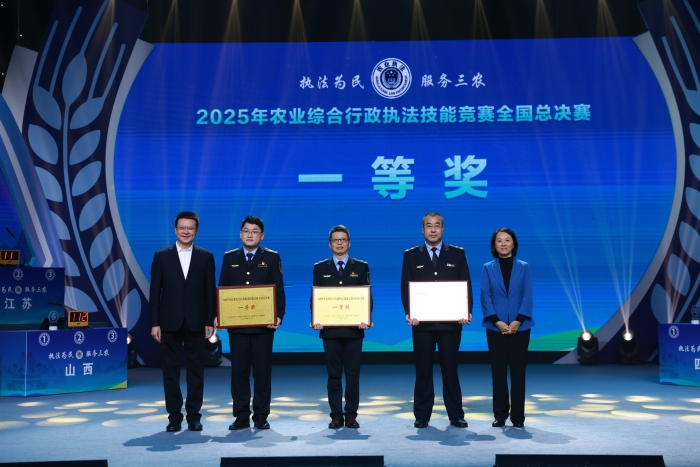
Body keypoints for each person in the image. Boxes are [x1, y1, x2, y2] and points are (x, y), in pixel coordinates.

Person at [400, 212, 473, 429]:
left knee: (450, 369)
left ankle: (456, 414)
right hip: (422, 325)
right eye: (429, 226)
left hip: (450, 324)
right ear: (422, 229)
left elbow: (466, 284)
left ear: (443, 229)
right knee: (423, 370)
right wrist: (410, 312)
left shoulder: (457, 253)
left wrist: (466, 311)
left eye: (437, 225)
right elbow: (405, 287)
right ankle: (422, 415)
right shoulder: (411, 255)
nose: (433, 230)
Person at [149, 211, 216, 433]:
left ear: (196, 231)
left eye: (190, 228)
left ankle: (194, 416)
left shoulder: (206, 257)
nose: (186, 231)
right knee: (170, 372)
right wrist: (154, 323)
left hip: (197, 322)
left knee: (196, 371)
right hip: (168, 322)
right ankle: (174, 417)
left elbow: (210, 291)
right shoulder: (161, 256)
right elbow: (155, 292)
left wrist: (209, 320)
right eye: (182, 227)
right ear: (175, 229)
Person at [217, 215, 285, 430]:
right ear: (240, 234)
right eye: (246, 231)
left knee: (262, 372)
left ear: (262, 236)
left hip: (263, 327)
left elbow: (278, 288)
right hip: (237, 327)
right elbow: (223, 288)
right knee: (239, 372)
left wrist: (278, 315)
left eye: (254, 231)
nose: (250, 234)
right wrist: (220, 314)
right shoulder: (229, 257)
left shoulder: (272, 257)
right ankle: (241, 416)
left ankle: (261, 416)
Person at [310, 225, 372, 429]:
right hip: (329, 331)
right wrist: (316, 318)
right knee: (334, 375)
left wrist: (366, 317)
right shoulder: (320, 267)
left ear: (349, 243)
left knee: (353, 375)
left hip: (354, 330)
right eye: (335, 240)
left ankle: (351, 415)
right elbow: (315, 296)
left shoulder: (361, 267)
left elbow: (367, 296)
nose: (339, 243)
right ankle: (336, 415)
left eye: (343, 239)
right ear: (329, 244)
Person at [480, 228, 534, 428]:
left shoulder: (524, 267)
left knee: (518, 372)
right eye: (499, 240)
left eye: (507, 240)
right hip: (496, 327)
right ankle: (500, 414)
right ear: (494, 245)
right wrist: (497, 322)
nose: (503, 244)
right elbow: (485, 297)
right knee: (499, 372)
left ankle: (518, 416)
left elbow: (528, 295)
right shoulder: (487, 268)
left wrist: (518, 321)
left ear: (514, 244)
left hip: (521, 326)